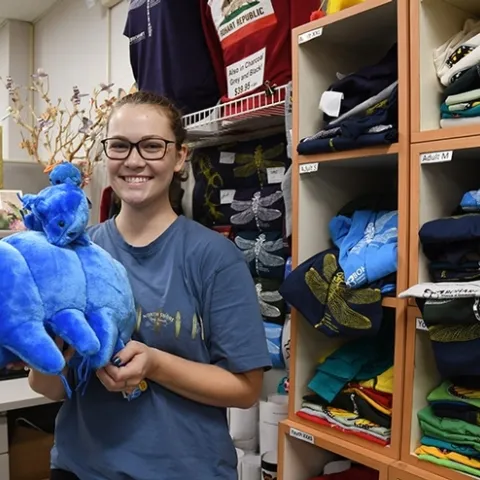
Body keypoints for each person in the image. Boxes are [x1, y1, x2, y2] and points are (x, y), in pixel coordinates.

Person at [27, 91, 272, 480]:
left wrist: (155, 365)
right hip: (82, 468)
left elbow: (245, 389)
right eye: (120, 146)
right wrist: (55, 343)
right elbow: (49, 388)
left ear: (179, 158)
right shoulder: (74, 254)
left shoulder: (214, 257)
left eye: (153, 146)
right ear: (105, 156)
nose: (135, 160)